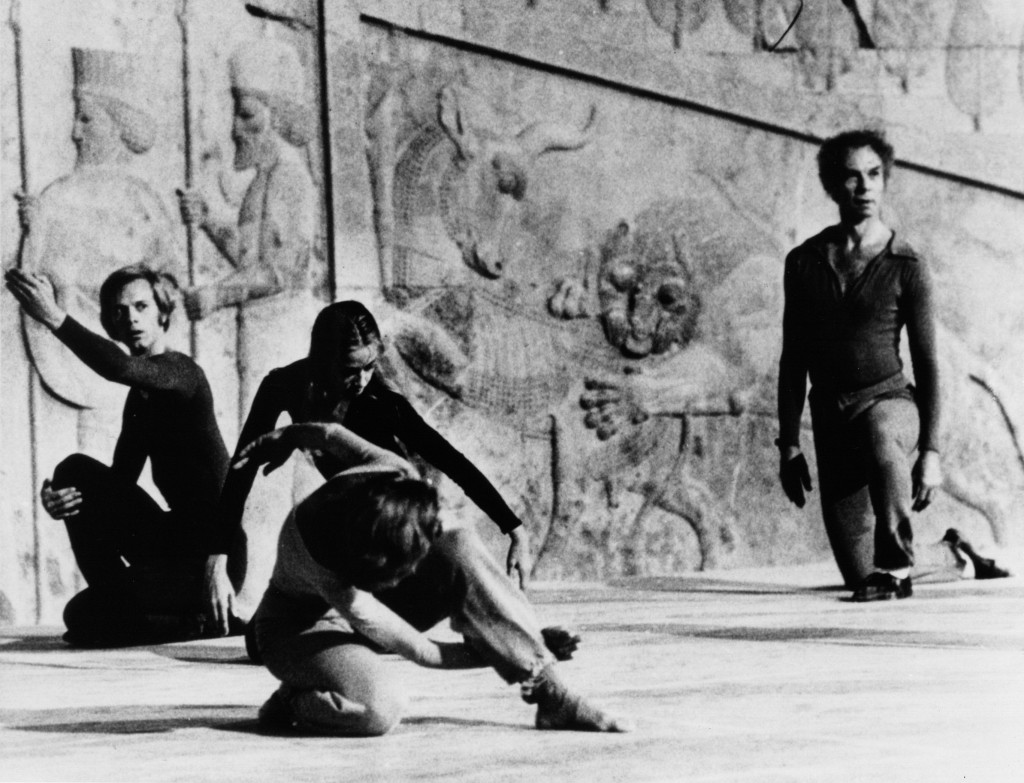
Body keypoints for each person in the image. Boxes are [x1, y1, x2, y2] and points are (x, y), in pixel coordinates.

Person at [238, 420, 631, 735]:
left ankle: (553, 694)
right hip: (296, 632)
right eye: (402, 570)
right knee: (378, 710)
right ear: (371, 565)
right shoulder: (327, 567)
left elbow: (330, 433)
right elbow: (427, 652)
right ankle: (297, 698)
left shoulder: (391, 471)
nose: (413, 575)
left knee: (459, 544)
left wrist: (288, 435)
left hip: (359, 599)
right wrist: (524, 645)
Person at [201, 301, 537, 638]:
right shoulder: (283, 385)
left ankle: (476, 611)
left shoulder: (382, 402)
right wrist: (217, 557)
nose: (361, 379)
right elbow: (242, 468)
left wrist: (515, 531)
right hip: (353, 547)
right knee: (262, 641)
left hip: (401, 541)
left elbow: (451, 460)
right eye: (349, 369)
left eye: (370, 366)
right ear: (322, 358)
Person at [5, 264, 229, 645]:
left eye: (141, 307)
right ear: (110, 324)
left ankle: (189, 617)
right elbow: (116, 489)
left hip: (212, 556)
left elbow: (118, 366)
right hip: (172, 546)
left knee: (83, 617)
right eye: (119, 312)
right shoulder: (139, 399)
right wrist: (61, 499)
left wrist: (53, 317)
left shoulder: (182, 372)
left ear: (162, 314)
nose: (131, 319)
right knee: (73, 471)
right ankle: (142, 610)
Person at [776, 129, 943, 602]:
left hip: (890, 403)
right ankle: (952, 556)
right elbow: (794, 360)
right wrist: (789, 443)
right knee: (860, 573)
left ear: (885, 179)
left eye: (874, 175)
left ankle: (896, 567)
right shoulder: (804, 262)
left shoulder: (908, 264)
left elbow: (929, 365)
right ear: (833, 187)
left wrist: (931, 450)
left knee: (879, 429)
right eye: (852, 178)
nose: (865, 187)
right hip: (832, 419)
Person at [177, 38, 319, 411]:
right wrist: (207, 219)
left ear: (278, 118)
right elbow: (248, 255)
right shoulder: (265, 178)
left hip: (281, 331)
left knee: (269, 452)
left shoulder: (289, 177)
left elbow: (279, 271)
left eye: (248, 116)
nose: (236, 130)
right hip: (260, 331)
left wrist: (214, 295)